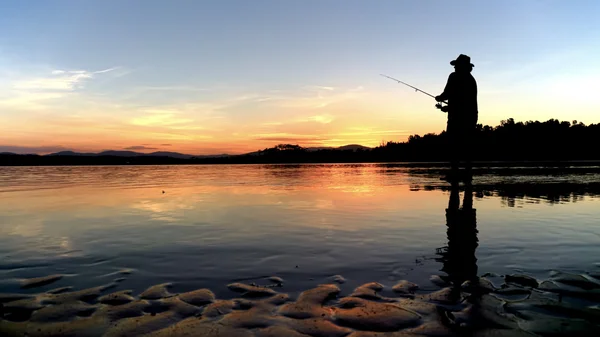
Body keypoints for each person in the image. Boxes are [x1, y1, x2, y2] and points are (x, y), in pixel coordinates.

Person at [435, 54, 478, 180]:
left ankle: (455, 173)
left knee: (454, 144)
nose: (454, 68)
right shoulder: (471, 79)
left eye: (456, 65)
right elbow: (463, 100)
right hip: (470, 116)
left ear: (462, 66)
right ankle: (467, 174)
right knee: (467, 145)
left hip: (457, 117)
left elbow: (448, 93)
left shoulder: (454, 77)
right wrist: (447, 108)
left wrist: (440, 98)